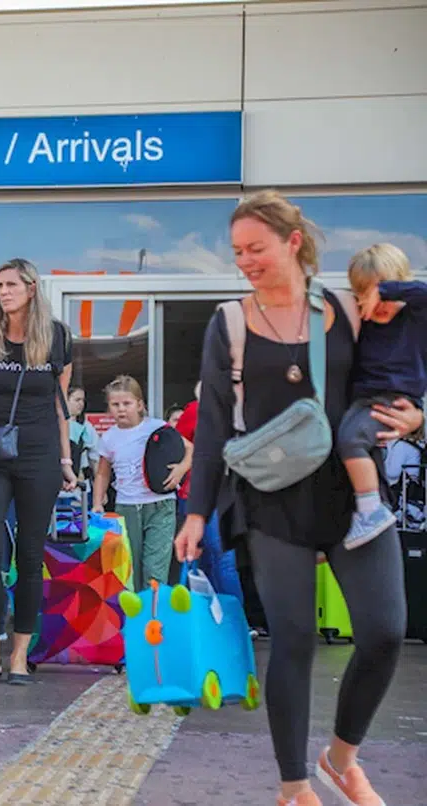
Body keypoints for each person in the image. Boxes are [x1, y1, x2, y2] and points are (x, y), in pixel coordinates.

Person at [177, 190, 422, 806]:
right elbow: (213, 424)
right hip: (271, 500)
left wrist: (417, 419)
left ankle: (341, 758)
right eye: (237, 251)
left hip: (352, 496)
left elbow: (398, 372)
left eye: (255, 248)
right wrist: (197, 511)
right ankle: (294, 788)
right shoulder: (230, 323)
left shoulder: (345, 309)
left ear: (293, 242)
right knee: (294, 640)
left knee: (385, 632)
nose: (245, 261)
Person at [0, 258, 77, 685]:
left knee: (29, 555)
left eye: (11, 284)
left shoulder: (57, 337)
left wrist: (66, 461)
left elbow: (61, 406)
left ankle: (20, 654)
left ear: (31, 287)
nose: (3, 292)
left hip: (40, 456)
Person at [338, 243, 426, 548]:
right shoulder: (360, 323)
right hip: (364, 402)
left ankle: (370, 509)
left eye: (385, 292)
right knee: (346, 439)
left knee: (351, 441)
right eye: (367, 293)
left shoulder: (415, 317)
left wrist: (387, 290)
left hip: (394, 399)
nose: (380, 302)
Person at [92, 375, 191, 590]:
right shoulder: (108, 438)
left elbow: (190, 449)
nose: (121, 409)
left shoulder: (158, 427)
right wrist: (97, 503)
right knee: (129, 570)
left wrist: (181, 469)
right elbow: (102, 474)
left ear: (139, 404)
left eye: (126, 403)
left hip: (161, 505)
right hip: (126, 507)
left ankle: (153, 610)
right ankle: (135, 610)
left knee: (155, 570)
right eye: (115, 405)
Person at [173, 383, 242, 601]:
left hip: (232, 493)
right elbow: (175, 445)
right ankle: (225, 613)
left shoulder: (246, 410)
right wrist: (182, 469)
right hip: (204, 492)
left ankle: (226, 613)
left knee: (218, 557)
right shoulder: (196, 410)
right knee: (213, 556)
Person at [66, 386, 98, 483]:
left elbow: (95, 458)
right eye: (77, 400)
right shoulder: (53, 425)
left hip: (81, 483)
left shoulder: (86, 427)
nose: (81, 404)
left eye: (82, 400)